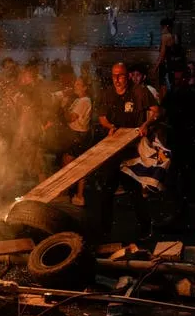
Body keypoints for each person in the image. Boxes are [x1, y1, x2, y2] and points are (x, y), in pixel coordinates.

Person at [95, 62, 160, 239]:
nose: (117, 79)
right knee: (107, 191)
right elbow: (102, 117)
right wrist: (110, 127)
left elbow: (156, 111)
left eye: (121, 76)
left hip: (131, 150)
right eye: (114, 76)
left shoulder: (139, 91)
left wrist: (145, 124)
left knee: (134, 191)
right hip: (112, 150)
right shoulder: (107, 93)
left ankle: (146, 229)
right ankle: (105, 231)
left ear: (127, 76)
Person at [156, 67, 195, 231]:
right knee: (178, 180)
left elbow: (166, 112)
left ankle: (179, 215)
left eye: (179, 79)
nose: (177, 82)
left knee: (180, 180)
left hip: (184, 144)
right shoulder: (182, 94)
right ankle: (179, 214)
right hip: (181, 144)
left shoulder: (187, 95)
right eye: (176, 79)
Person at [59, 77, 92, 206]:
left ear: (85, 87)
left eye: (79, 84)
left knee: (72, 164)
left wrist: (63, 107)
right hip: (75, 135)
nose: (75, 86)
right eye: (75, 83)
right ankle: (73, 194)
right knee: (70, 163)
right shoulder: (78, 100)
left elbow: (71, 118)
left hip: (78, 136)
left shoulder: (84, 101)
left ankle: (74, 195)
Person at [151, 18, 185, 101]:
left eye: (162, 27)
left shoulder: (165, 36)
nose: (161, 29)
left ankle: (164, 106)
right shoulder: (175, 36)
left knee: (164, 87)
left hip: (166, 65)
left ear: (166, 26)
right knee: (172, 86)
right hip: (174, 66)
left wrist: (155, 68)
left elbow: (162, 55)